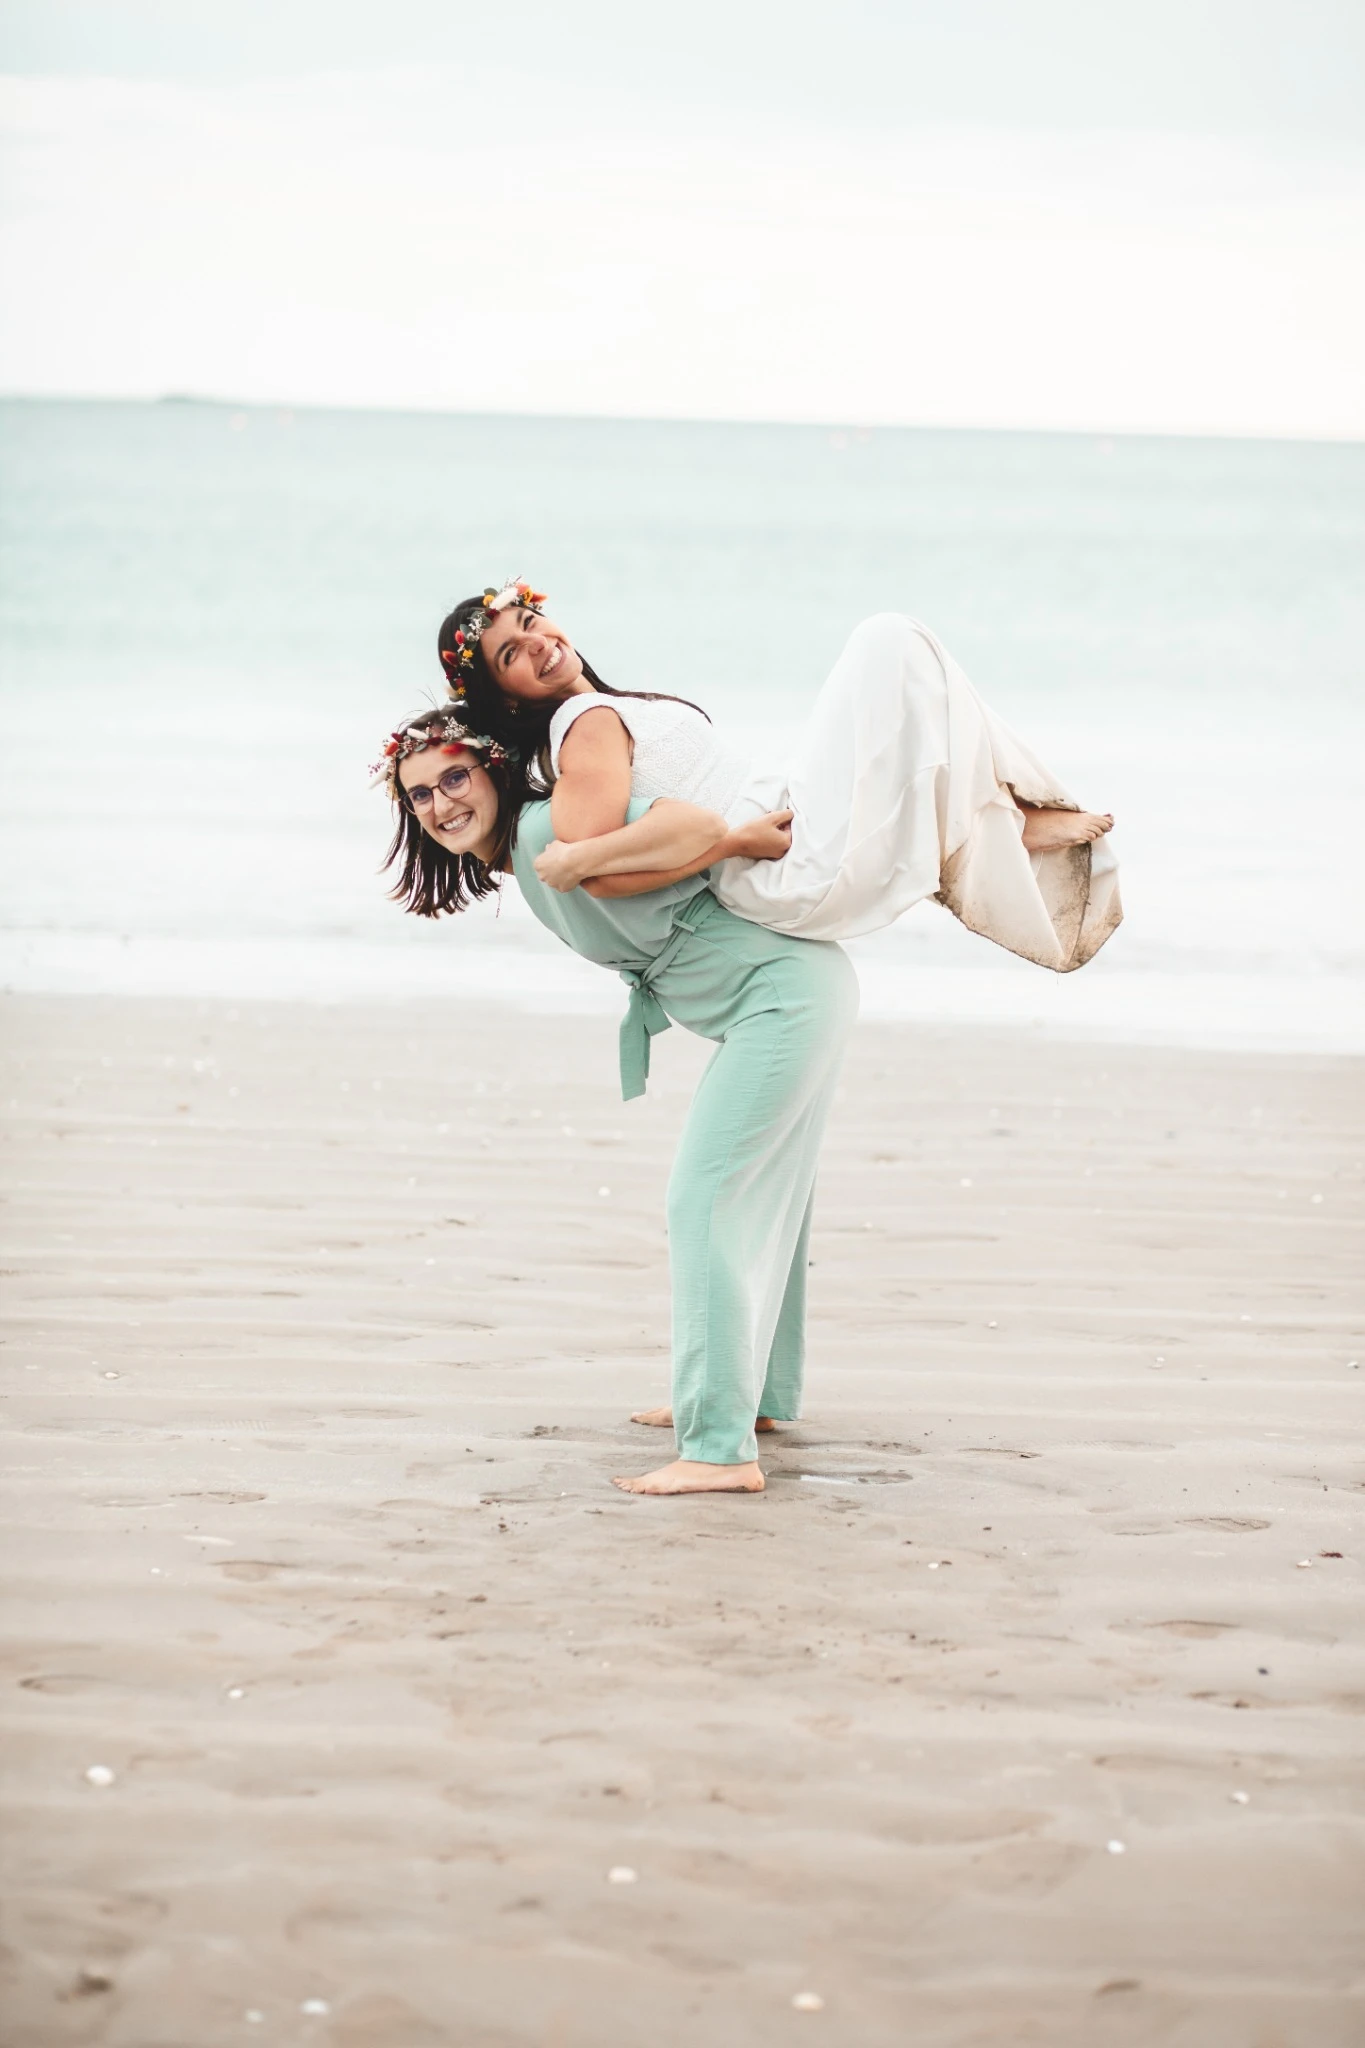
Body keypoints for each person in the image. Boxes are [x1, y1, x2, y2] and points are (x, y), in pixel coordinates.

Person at [375, 707, 856, 1498]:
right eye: (420, 795)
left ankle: (718, 1449)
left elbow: (686, 822)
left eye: (454, 777)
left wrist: (731, 841)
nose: (440, 803)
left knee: (705, 1200)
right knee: (768, 1198)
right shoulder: (524, 852)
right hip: (791, 994)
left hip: (783, 999)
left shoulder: (547, 831)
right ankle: (754, 1398)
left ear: (494, 771)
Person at [437, 580, 1121, 970]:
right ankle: (1002, 818)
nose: (538, 642)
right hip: (779, 859)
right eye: (511, 654)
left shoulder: (596, 713)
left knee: (902, 677)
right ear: (504, 696)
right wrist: (728, 846)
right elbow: (596, 876)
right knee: (889, 641)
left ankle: (994, 817)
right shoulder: (582, 726)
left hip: (781, 835)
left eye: (531, 620)